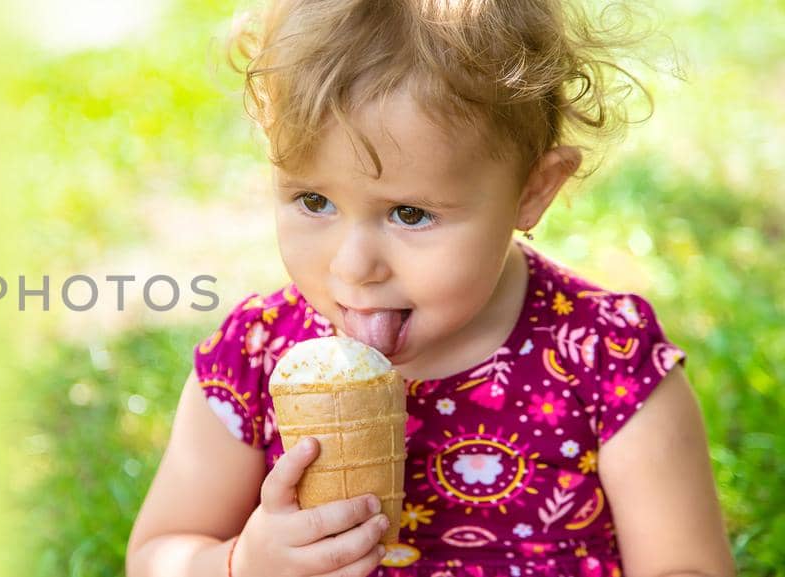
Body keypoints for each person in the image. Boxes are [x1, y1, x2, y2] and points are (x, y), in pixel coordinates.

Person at [125, 1, 734, 575]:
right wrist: (242, 563)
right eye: (314, 200)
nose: (354, 266)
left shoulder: (605, 355)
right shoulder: (256, 357)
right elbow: (160, 552)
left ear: (532, 190)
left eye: (410, 214)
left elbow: (687, 564)